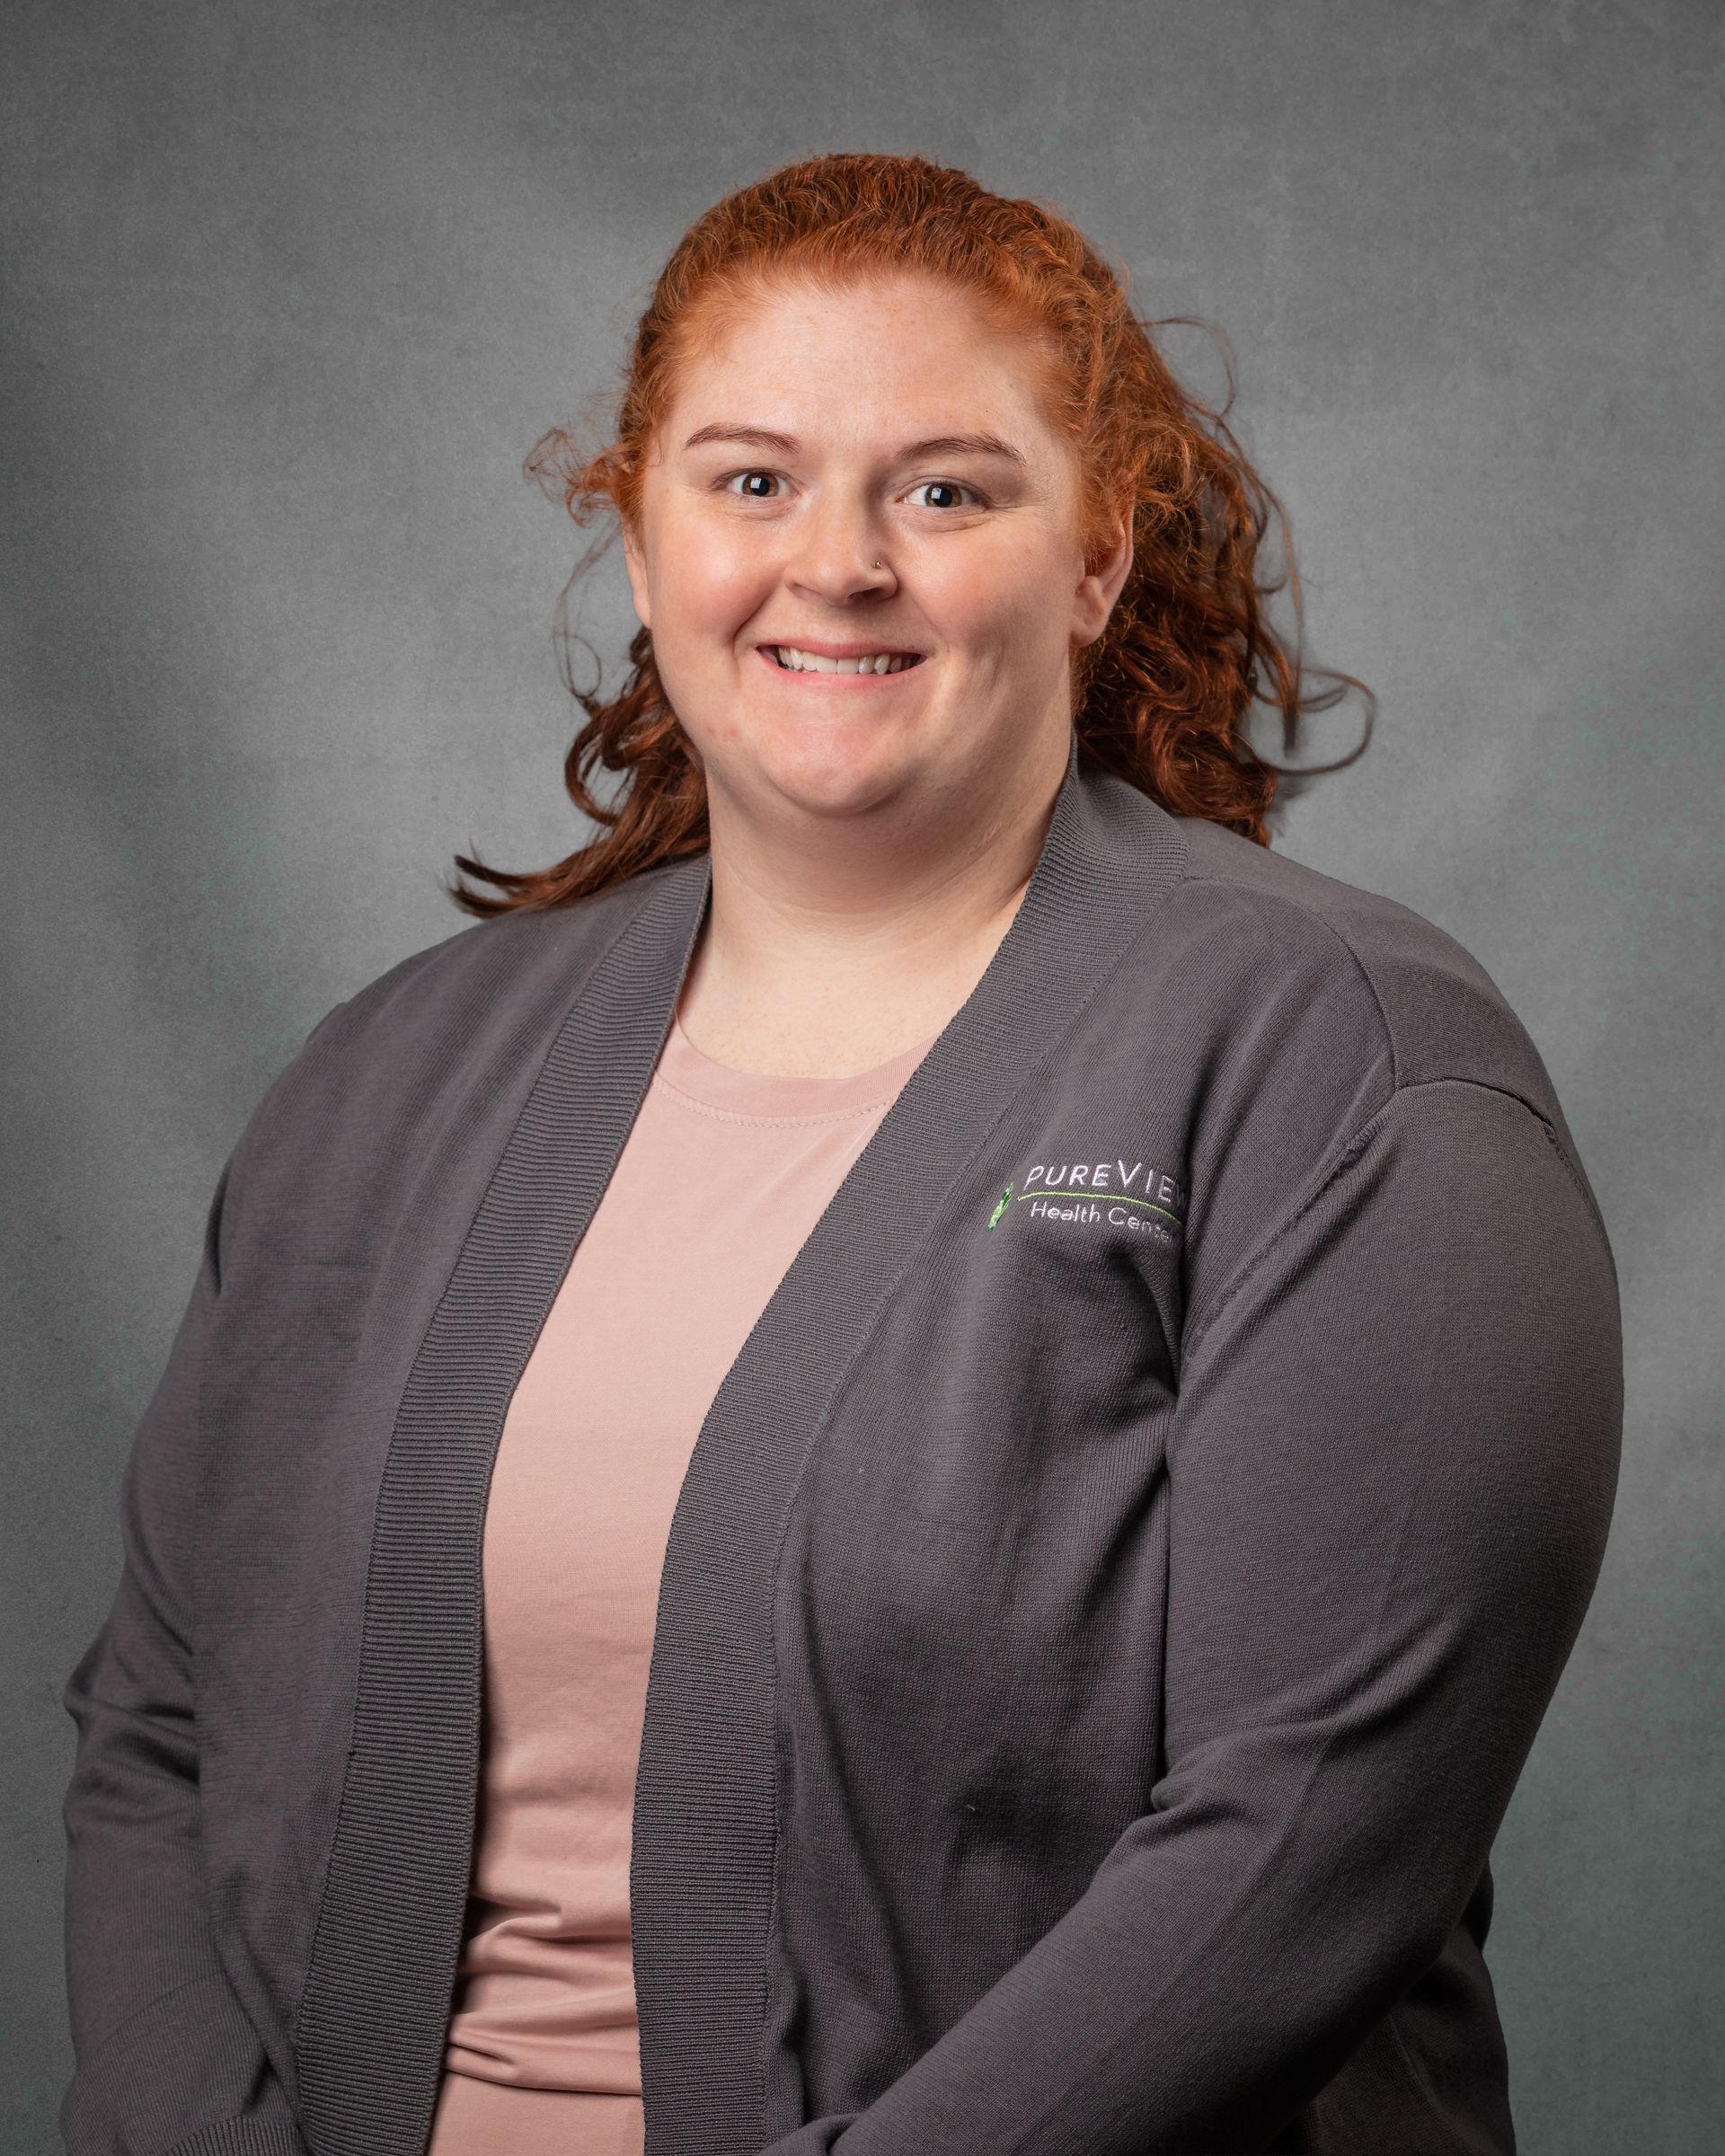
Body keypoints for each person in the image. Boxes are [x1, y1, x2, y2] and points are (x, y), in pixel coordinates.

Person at [61, 152, 1622, 2156]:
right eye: (751, 480)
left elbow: (1301, 1835)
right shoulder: (388, 1079)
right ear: (641, 542)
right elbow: (164, 1717)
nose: (840, 561)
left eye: (948, 488)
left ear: (1097, 558)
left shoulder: (1344, 1068)